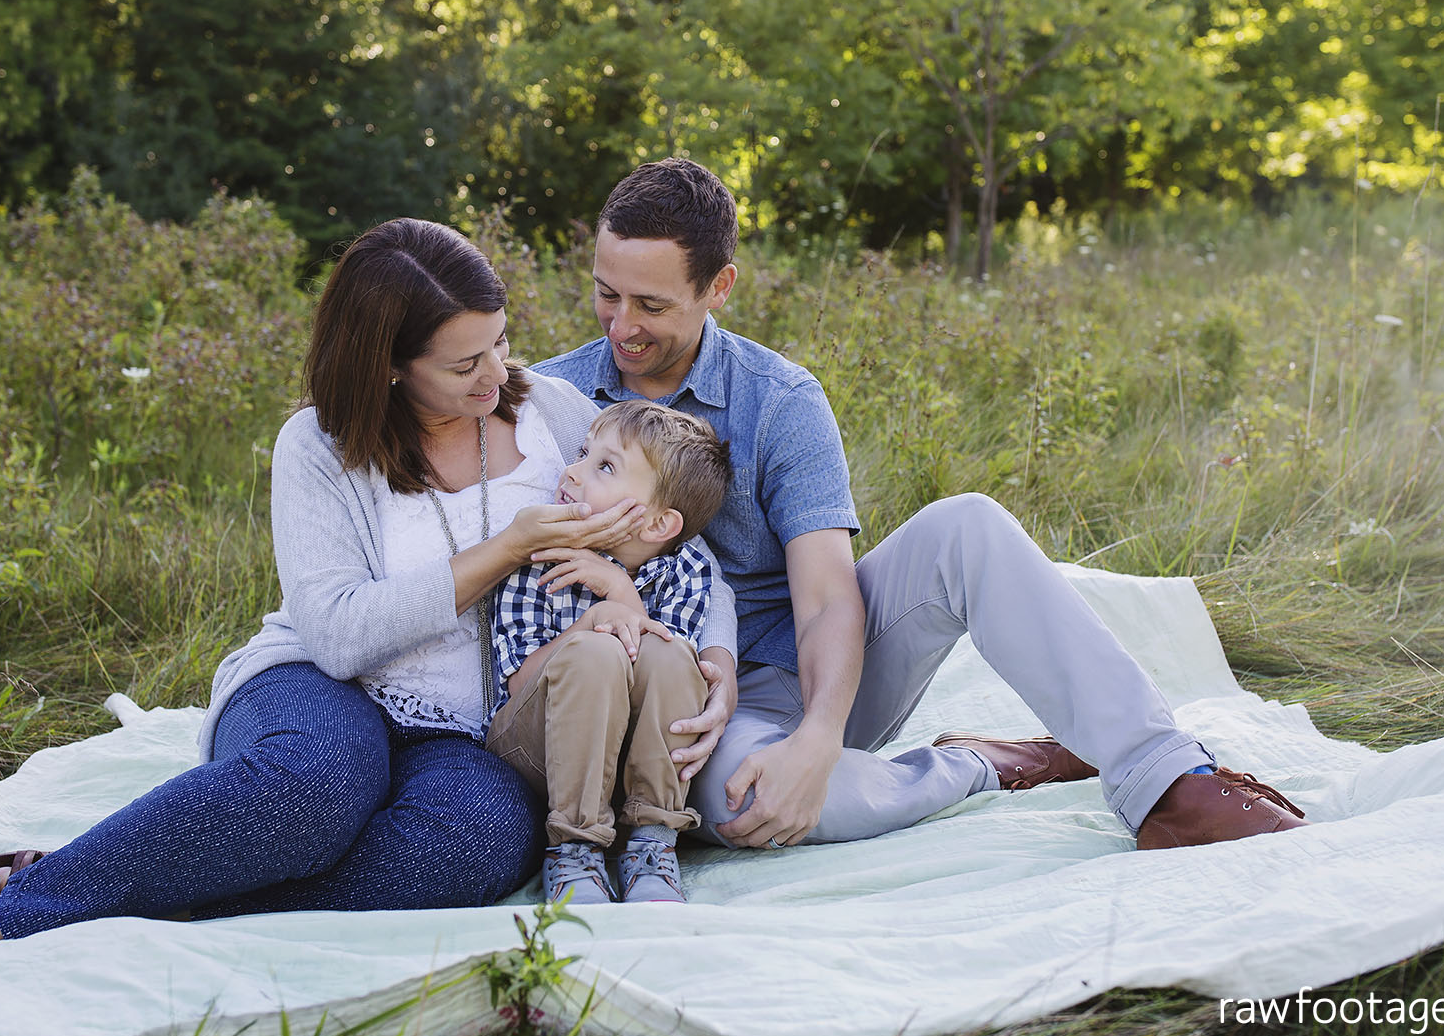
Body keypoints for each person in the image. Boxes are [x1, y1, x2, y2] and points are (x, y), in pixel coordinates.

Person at [0, 218, 739, 958]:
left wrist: (714, 651)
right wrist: (509, 545)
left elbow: (681, 545)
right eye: (463, 362)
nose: (497, 373)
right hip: (320, 681)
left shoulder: (554, 416)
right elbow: (340, 634)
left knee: (477, 844)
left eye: (499, 342)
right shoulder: (317, 446)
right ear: (391, 363)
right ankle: (5, 911)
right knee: (313, 790)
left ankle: (138, 890)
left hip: (469, 729)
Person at [532, 159, 1310, 854]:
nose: (622, 325)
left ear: (718, 286)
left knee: (966, 524)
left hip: (802, 674)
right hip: (672, 702)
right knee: (747, 803)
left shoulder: (779, 399)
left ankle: (1169, 782)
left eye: (651, 304)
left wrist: (818, 740)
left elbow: (829, 597)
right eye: (605, 293)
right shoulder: (552, 397)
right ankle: (979, 764)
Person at [484, 400, 733, 906]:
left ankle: (652, 844)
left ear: (659, 525)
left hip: (624, 764)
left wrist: (622, 596)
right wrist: (589, 624)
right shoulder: (543, 554)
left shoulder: (687, 572)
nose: (571, 472)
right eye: (582, 453)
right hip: (535, 747)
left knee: (670, 657)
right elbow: (519, 681)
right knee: (597, 654)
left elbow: (669, 678)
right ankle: (573, 851)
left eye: (603, 466)